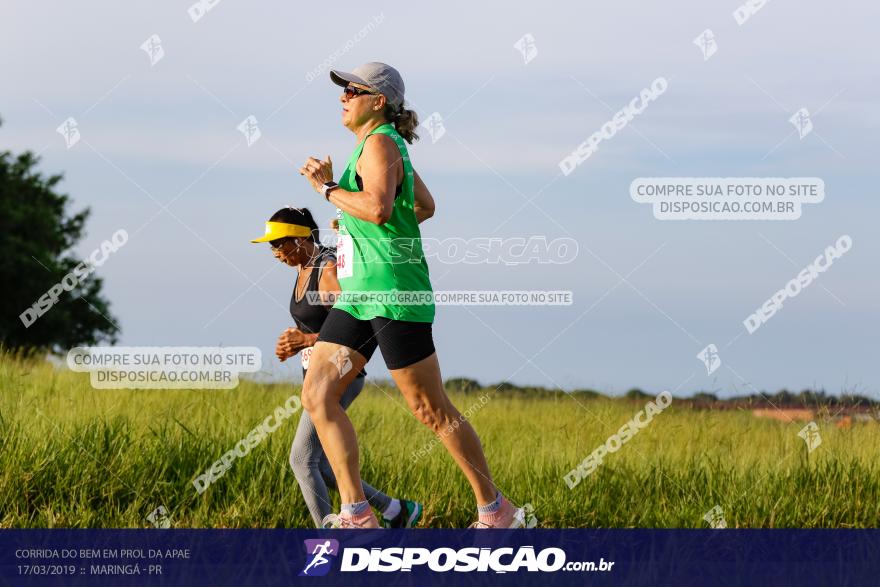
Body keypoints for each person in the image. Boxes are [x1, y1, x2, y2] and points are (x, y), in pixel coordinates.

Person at [298, 62, 524, 528]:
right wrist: (358, 222)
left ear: (378, 101)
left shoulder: (381, 143)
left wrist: (328, 190)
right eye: (342, 91)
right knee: (318, 395)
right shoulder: (377, 145)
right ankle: (357, 513)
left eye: (352, 90)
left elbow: (380, 208)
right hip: (359, 296)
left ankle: (495, 510)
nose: (342, 97)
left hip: (395, 293)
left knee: (430, 408)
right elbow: (423, 207)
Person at [250, 206, 422, 528]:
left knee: (301, 460)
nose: (274, 252)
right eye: (271, 246)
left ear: (301, 239)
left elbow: (357, 316)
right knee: (325, 467)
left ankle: (329, 543)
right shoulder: (303, 269)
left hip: (341, 376)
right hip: (319, 379)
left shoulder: (326, 268)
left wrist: (307, 339)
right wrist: (295, 342)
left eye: (278, 244)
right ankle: (398, 511)